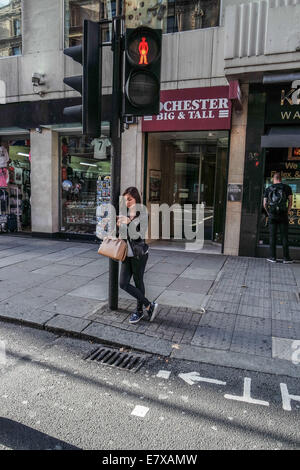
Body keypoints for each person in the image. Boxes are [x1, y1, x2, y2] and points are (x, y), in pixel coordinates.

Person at [117, 186, 159, 324]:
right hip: (126, 254)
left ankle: (139, 311)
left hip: (139, 254)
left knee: (138, 281)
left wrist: (129, 223)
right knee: (123, 283)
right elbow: (123, 236)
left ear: (136, 199)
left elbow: (139, 234)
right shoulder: (125, 213)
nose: (127, 202)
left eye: (129, 199)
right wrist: (117, 226)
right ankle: (149, 305)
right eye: (125, 200)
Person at [263, 172, 293, 263]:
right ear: (281, 179)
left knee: (272, 236)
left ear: (274, 179)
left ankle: (272, 257)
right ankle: (286, 258)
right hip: (283, 214)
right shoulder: (287, 188)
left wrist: (269, 213)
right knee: (284, 236)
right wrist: (287, 212)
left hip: (272, 215)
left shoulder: (268, 189)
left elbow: (264, 204)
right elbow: (290, 202)